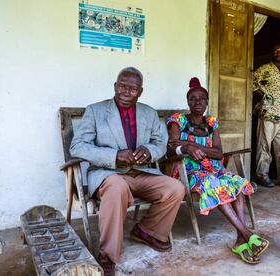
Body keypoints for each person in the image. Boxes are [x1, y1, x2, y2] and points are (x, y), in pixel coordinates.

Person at [70, 67, 185, 275]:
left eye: (132, 88)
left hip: (142, 172)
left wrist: (149, 152)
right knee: (117, 187)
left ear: (140, 92)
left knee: (175, 188)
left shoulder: (148, 113)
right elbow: (78, 146)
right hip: (109, 175)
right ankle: (107, 256)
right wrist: (114, 156)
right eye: (122, 86)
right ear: (115, 86)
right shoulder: (96, 111)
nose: (126, 91)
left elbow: (160, 142)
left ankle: (147, 231)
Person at [166, 77, 269, 264]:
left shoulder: (212, 122)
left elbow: (218, 153)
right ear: (188, 102)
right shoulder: (178, 120)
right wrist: (188, 149)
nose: (197, 102)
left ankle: (240, 239)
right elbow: (171, 148)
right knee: (214, 185)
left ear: (207, 101)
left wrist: (189, 143)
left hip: (214, 168)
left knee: (236, 183)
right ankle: (247, 233)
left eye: (202, 98)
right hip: (187, 171)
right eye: (193, 99)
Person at [253, 44, 280, 188]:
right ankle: (261, 175)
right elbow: (252, 82)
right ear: (272, 53)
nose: (278, 52)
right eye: (276, 50)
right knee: (264, 146)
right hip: (268, 113)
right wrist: (264, 95)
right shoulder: (264, 69)